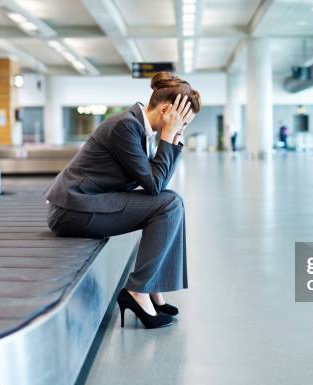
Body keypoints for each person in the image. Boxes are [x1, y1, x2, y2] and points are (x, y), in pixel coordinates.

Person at [45, 72, 200, 329]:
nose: (182, 130)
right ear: (166, 111)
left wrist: (172, 138)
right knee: (168, 204)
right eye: (182, 123)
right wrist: (168, 137)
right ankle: (138, 291)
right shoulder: (125, 126)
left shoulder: (140, 128)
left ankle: (152, 286)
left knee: (173, 200)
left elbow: (160, 183)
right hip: (73, 210)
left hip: (90, 203)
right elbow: (153, 185)